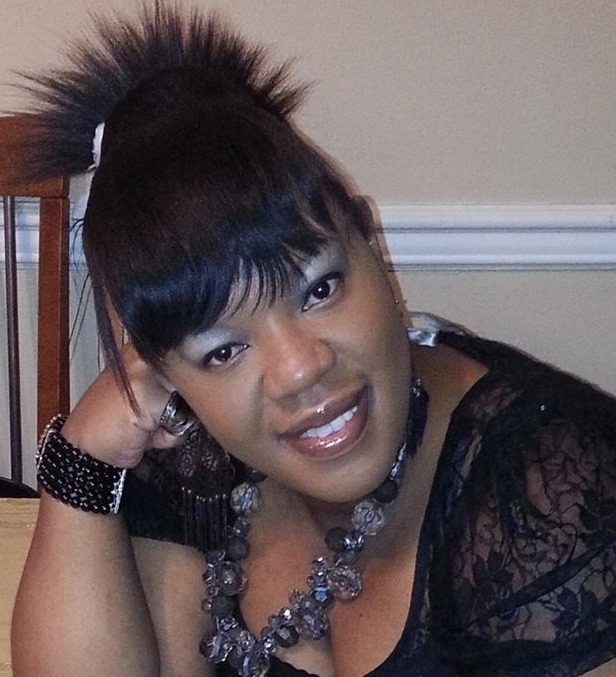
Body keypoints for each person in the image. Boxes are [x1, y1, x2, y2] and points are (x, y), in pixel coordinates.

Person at [10, 4, 616, 676]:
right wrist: (82, 458)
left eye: (320, 289)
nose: (300, 368)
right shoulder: (191, 452)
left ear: (370, 243)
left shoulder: (550, 497)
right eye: (223, 350)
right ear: (165, 372)